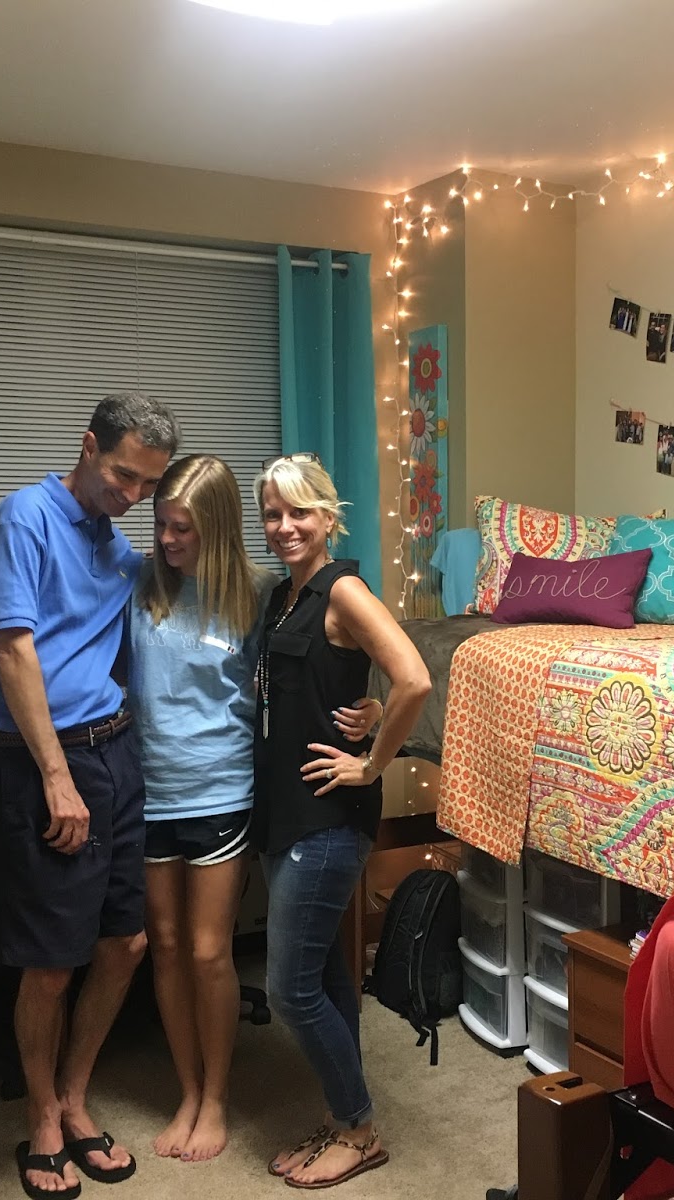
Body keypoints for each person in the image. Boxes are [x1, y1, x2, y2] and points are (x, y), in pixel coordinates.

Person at [131, 454, 381, 1165]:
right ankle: (189, 1092)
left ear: (215, 528)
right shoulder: (139, 586)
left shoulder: (263, 594)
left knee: (212, 952)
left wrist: (373, 718)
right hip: (151, 794)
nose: (168, 539)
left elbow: (332, 670)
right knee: (166, 947)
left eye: (183, 527)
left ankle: (219, 1100)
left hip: (224, 792)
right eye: (161, 525)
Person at [0, 391, 177, 1199]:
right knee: (52, 964)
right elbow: (11, 648)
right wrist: (56, 776)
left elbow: (171, 594)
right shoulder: (25, 518)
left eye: (148, 485)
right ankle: (42, 1116)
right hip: (40, 764)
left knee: (126, 943)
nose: (133, 495)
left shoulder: (115, 550)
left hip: (115, 752)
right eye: (123, 475)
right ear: (88, 446)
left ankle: (76, 1095)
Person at [255, 455, 431, 1190]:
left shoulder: (342, 590)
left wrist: (372, 761)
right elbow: (322, 683)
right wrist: (366, 705)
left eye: (300, 511)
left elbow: (413, 677)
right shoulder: (283, 595)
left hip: (328, 819)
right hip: (284, 813)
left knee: (289, 990)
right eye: (272, 513)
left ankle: (359, 1129)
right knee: (326, 978)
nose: (285, 526)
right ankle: (341, 1116)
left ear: (329, 516)